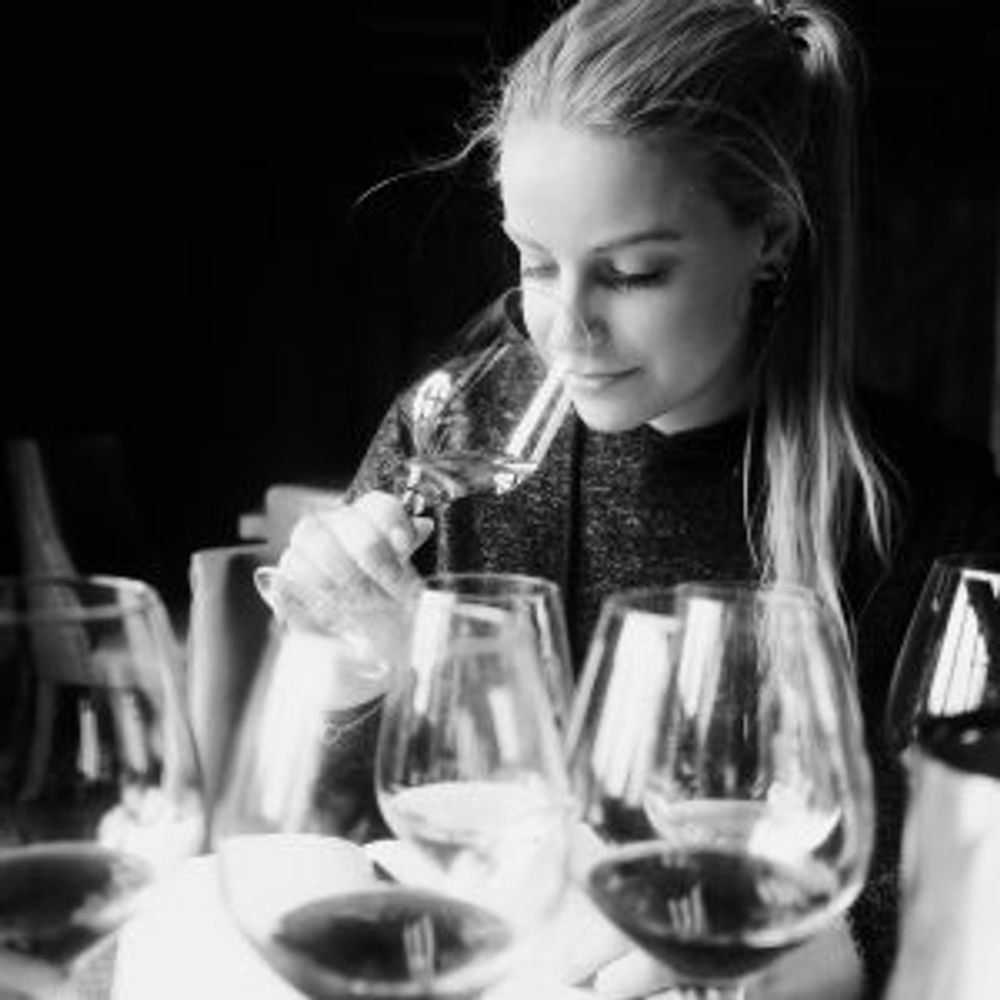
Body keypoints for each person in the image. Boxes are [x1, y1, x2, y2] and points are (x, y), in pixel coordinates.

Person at [271, 0, 1000, 996]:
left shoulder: (931, 514)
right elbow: (326, 852)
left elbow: (979, 855)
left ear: (769, 235)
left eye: (632, 273)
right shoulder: (448, 441)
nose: (565, 328)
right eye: (535, 262)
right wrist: (352, 679)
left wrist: (844, 942)